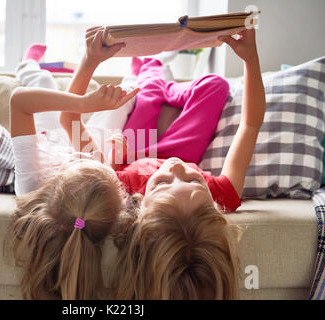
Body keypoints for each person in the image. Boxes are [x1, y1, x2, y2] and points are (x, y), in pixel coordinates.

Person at [111, 28, 266, 299]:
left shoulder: (124, 188)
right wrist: (251, 59)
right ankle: (160, 80)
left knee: (146, 96)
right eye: (196, 180)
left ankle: (151, 70)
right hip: (185, 147)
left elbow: (77, 216)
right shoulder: (222, 196)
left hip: (133, 152)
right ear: (215, 207)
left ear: (138, 210)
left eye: (160, 183)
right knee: (215, 84)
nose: (177, 168)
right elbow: (250, 124)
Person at [6, 29, 139, 299]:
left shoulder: (32, 184)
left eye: (80, 160)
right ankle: (141, 70)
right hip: (76, 144)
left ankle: (28, 62)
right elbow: (71, 122)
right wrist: (112, 158)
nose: (81, 155)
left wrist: (84, 99)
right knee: (122, 104)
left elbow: (20, 100)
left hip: (44, 139)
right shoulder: (101, 184)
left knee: (42, 79)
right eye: (90, 159)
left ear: (56, 182)